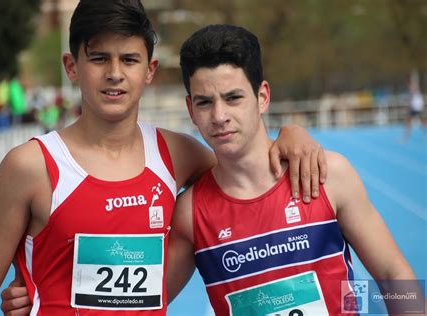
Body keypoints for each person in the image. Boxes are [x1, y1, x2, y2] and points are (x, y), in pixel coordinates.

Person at [0, 1, 325, 315]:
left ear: (149, 70)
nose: (115, 74)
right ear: (72, 67)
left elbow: (246, 170)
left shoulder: (177, 155)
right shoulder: (30, 167)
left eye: (129, 59)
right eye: (99, 58)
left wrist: (291, 134)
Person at [164, 24, 419, 315]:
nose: (219, 116)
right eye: (205, 103)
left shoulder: (328, 175)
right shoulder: (189, 214)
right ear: (190, 110)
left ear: (262, 97)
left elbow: (394, 275)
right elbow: (144, 304)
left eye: (233, 98)